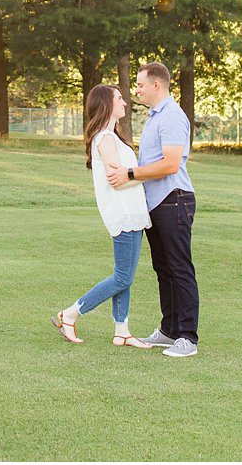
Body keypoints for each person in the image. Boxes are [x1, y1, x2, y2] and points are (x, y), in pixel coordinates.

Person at [106, 61, 199, 357]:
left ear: (156, 85)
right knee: (164, 269)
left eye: (140, 85)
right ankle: (170, 330)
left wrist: (130, 175)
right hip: (157, 204)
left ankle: (187, 336)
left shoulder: (171, 116)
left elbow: (171, 164)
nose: (136, 90)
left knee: (180, 268)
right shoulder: (155, 116)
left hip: (175, 200)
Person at [52, 84, 154, 348]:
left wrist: (140, 174)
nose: (124, 101)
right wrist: (148, 173)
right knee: (122, 276)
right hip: (123, 214)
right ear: (107, 104)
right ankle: (70, 314)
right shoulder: (105, 139)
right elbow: (116, 178)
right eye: (119, 98)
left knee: (126, 275)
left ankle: (122, 331)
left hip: (133, 214)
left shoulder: (112, 136)